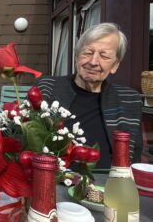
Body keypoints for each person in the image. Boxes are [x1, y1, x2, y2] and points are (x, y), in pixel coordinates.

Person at [36, 23, 143, 168]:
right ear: (77, 56)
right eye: (87, 52)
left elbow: (133, 157)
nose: (93, 62)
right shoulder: (47, 88)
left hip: (108, 186)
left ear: (115, 66)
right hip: (55, 183)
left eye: (104, 56)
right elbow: (26, 139)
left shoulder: (129, 99)